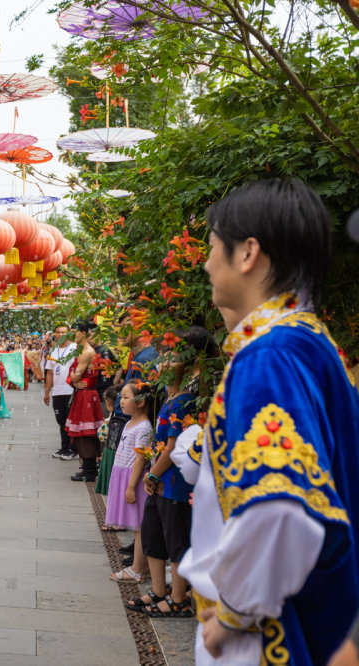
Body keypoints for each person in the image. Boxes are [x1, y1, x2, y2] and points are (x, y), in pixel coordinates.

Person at [171, 179, 359, 664]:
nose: (207, 262)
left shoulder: (269, 356)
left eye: (213, 247)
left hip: (266, 639)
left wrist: (233, 611)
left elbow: (279, 504)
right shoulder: (312, 343)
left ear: (248, 252)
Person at [130, 328, 207, 619]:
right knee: (154, 536)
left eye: (171, 355)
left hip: (173, 484)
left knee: (176, 543)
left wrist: (152, 475)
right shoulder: (171, 396)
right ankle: (160, 592)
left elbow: (174, 447)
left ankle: (178, 599)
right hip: (161, 482)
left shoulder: (185, 400)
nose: (162, 361)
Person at [106, 380, 153, 584]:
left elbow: (141, 458)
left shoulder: (143, 427)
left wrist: (132, 486)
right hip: (122, 474)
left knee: (139, 526)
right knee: (137, 527)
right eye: (121, 397)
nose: (121, 401)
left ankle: (137, 569)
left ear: (141, 402)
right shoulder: (130, 422)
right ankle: (141, 566)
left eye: (126, 397)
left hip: (132, 478)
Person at [64, 322, 104, 482]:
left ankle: (89, 470)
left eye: (75, 332)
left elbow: (74, 376)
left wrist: (73, 379)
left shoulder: (87, 352)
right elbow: (73, 377)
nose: (73, 335)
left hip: (86, 396)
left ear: (84, 333)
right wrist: (73, 379)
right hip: (83, 394)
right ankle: (88, 468)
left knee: (86, 432)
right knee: (82, 433)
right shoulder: (81, 350)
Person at [43, 325, 77, 460]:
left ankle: (72, 449)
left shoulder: (75, 348)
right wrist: (47, 392)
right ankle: (64, 447)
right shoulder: (53, 351)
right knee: (61, 420)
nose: (60, 334)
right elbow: (50, 373)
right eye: (58, 332)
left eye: (63, 332)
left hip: (70, 390)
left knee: (70, 421)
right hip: (57, 392)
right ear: (54, 334)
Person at [94, 386, 120, 496]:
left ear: (107, 403)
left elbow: (101, 435)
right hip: (117, 454)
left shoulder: (110, 421)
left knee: (111, 485)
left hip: (110, 454)